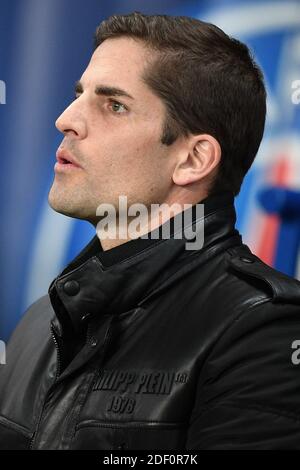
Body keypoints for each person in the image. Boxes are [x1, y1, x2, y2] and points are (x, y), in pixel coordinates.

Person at [1, 11, 300, 451]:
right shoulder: (39, 323)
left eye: (114, 105)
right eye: (78, 94)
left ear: (193, 160)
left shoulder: (266, 334)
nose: (65, 120)